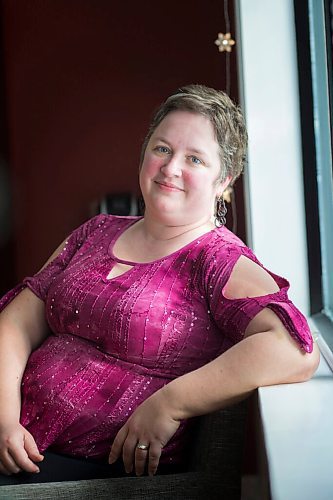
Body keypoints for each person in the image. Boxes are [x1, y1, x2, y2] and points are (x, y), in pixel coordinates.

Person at [0, 84, 319, 483]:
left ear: (225, 180)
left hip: (85, 473)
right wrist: (4, 419)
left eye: (195, 159)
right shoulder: (95, 231)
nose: (170, 169)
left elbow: (295, 348)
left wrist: (170, 403)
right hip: (13, 441)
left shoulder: (216, 259)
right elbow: (15, 322)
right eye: (162, 149)